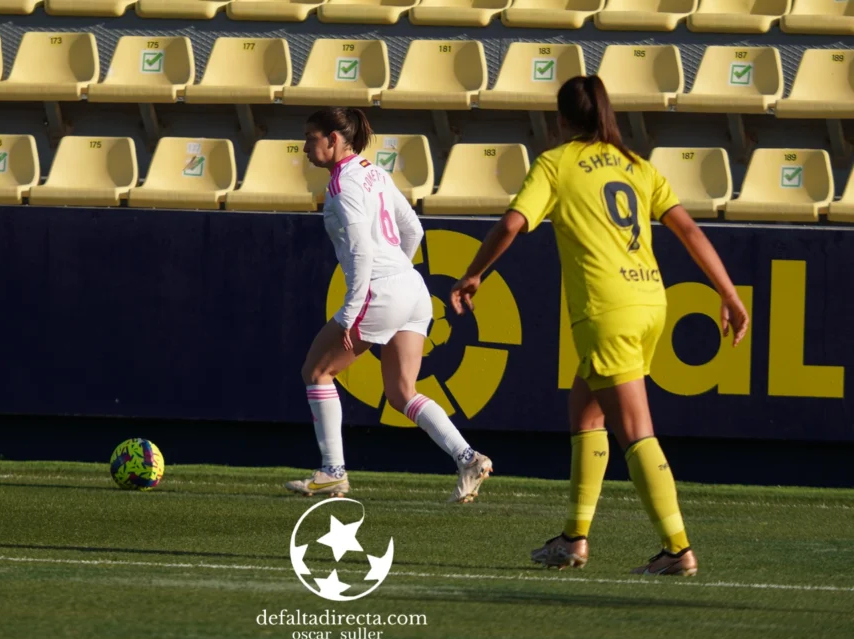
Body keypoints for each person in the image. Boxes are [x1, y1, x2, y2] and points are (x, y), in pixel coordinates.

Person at [449, 76, 749, 576]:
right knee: (585, 413)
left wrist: (475, 273)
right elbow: (688, 229)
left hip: (606, 308)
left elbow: (511, 224)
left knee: (634, 430)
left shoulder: (557, 163)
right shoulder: (636, 166)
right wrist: (729, 292)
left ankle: (677, 549)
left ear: (562, 118)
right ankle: (573, 539)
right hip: (651, 300)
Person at [285, 107, 494, 503]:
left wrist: (350, 312)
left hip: (380, 290)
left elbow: (363, 251)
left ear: (333, 139)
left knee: (316, 371)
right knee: (401, 393)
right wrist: (399, 270)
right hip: (412, 289)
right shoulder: (374, 172)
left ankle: (332, 472)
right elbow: (412, 228)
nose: (306, 145)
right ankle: (468, 457)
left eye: (312, 137)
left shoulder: (343, 185)